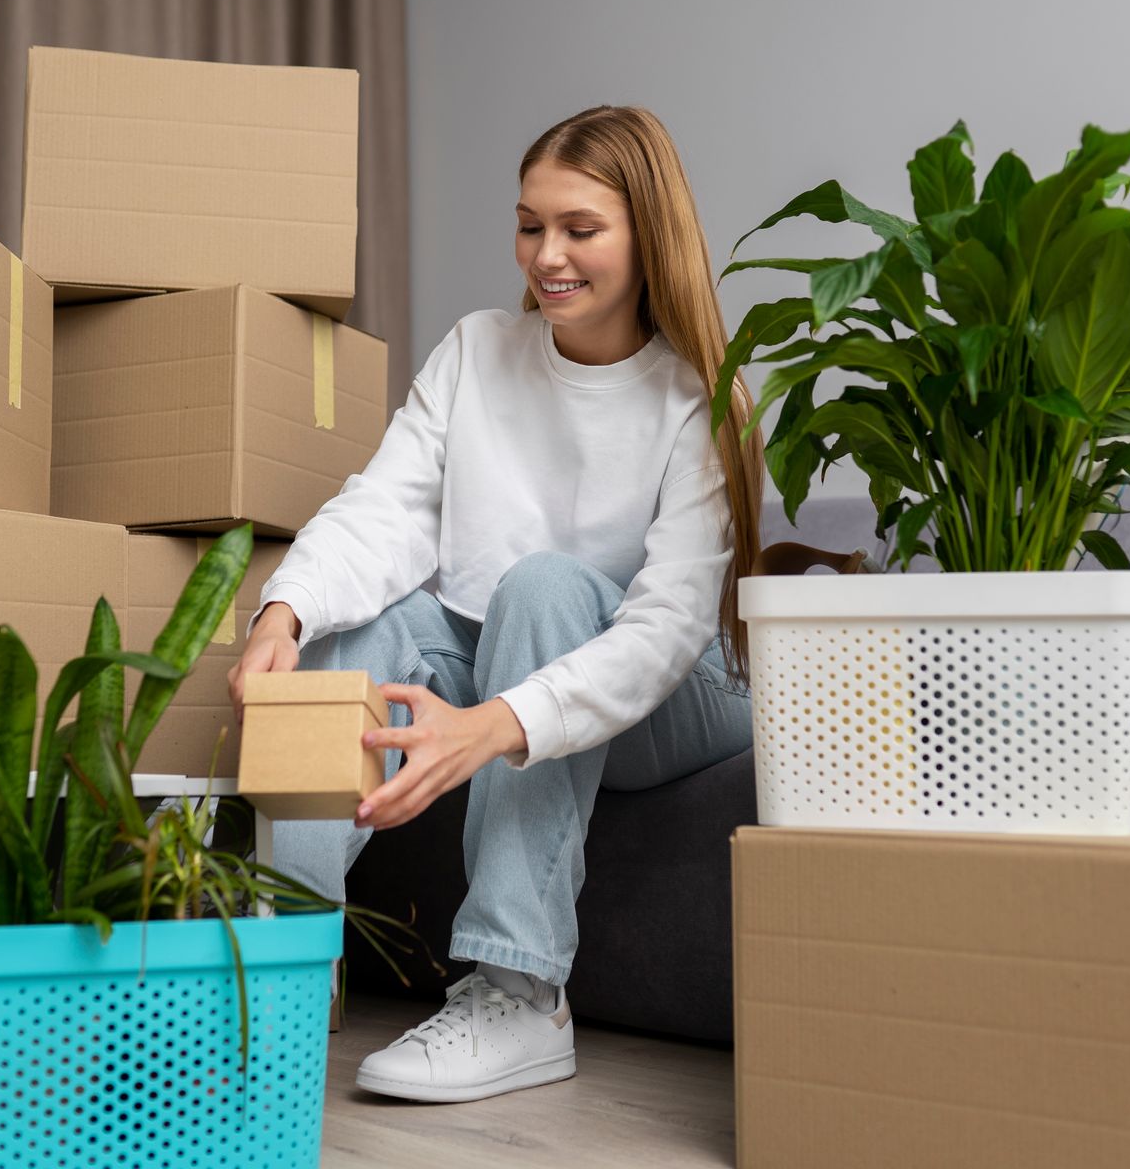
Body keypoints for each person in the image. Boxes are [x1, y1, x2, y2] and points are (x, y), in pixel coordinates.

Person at [228, 104, 763, 1103]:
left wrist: (494, 725)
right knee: (356, 627)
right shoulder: (478, 350)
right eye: (529, 225)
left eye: (579, 228)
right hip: (507, 645)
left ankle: (518, 993)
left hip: (681, 690)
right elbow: (384, 507)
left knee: (545, 583)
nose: (546, 256)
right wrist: (284, 613)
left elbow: (662, 632)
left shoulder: (703, 394)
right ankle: (274, 978)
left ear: (647, 232)